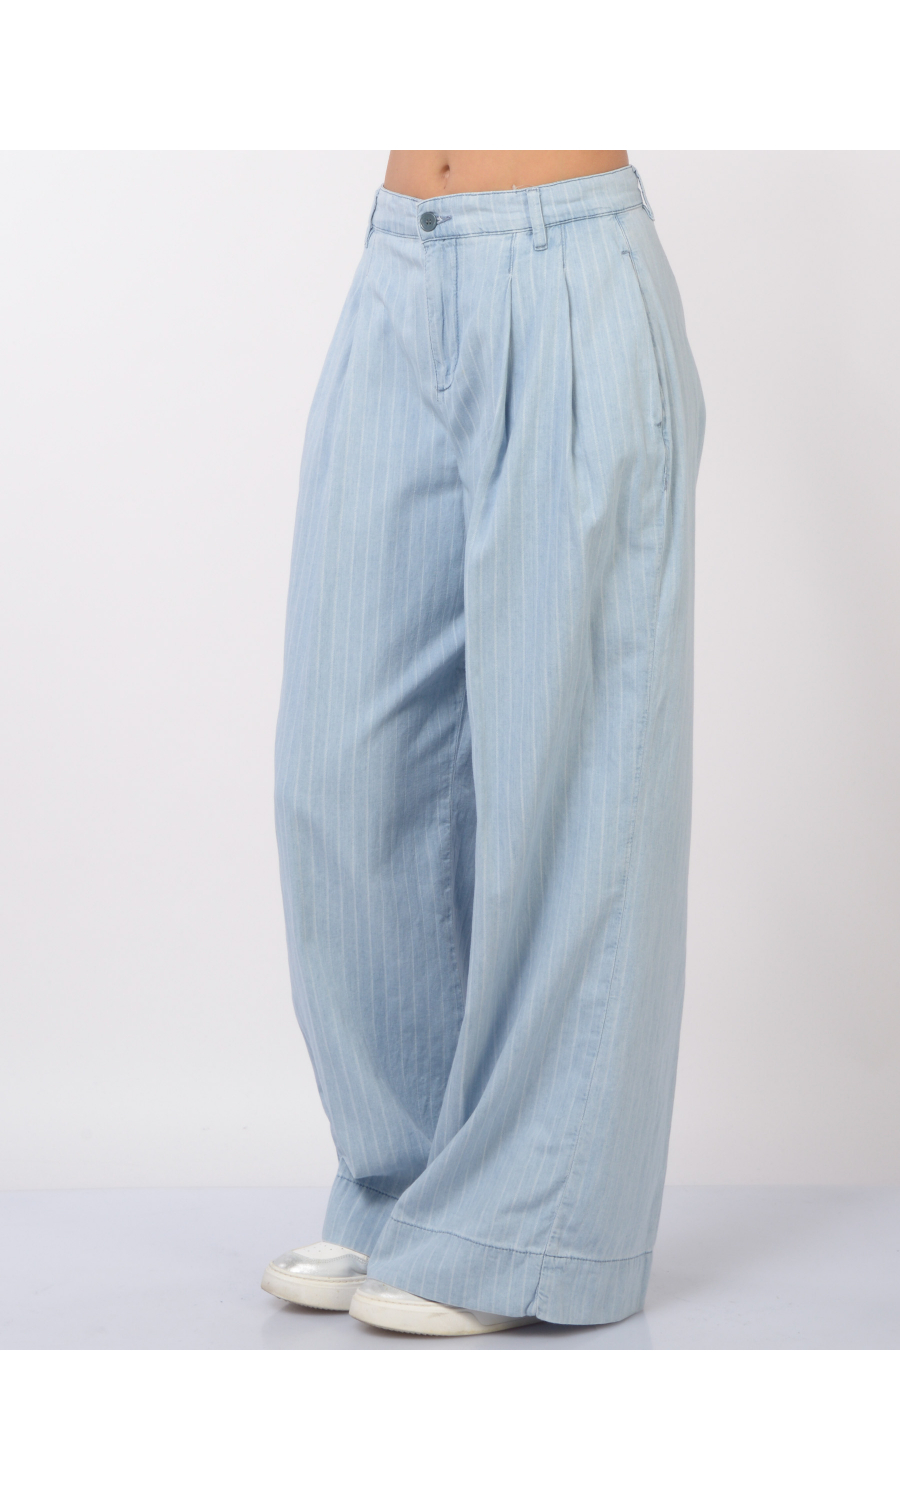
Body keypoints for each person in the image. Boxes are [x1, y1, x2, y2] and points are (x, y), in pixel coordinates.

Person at [262, 151, 705, 1336]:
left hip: (566, 271)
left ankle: (531, 1223)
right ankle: (411, 1191)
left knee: (573, 779)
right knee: (343, 773)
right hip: (399, 272)